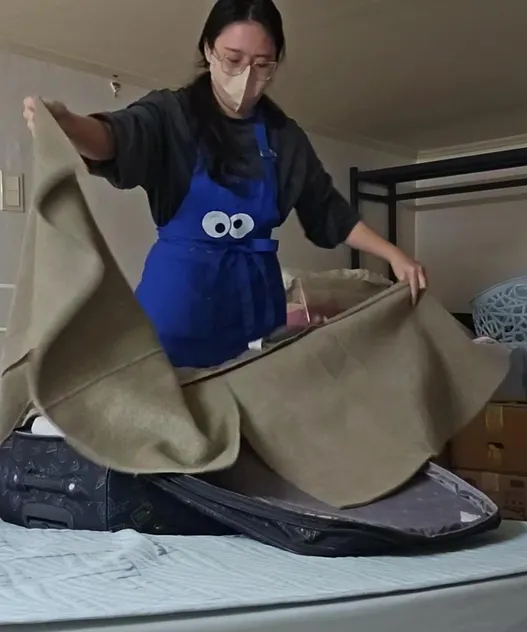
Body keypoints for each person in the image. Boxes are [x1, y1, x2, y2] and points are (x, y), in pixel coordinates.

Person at [23, 0, 427, 369]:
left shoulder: (284, 137)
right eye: (233, 59)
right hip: (179, 310)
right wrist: (70, 126)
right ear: (208, 51)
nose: (247, 76)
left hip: (256, 311)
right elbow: (118, 138)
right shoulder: (172, 115)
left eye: (263, 65)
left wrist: (393, 254)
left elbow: (327, 209)